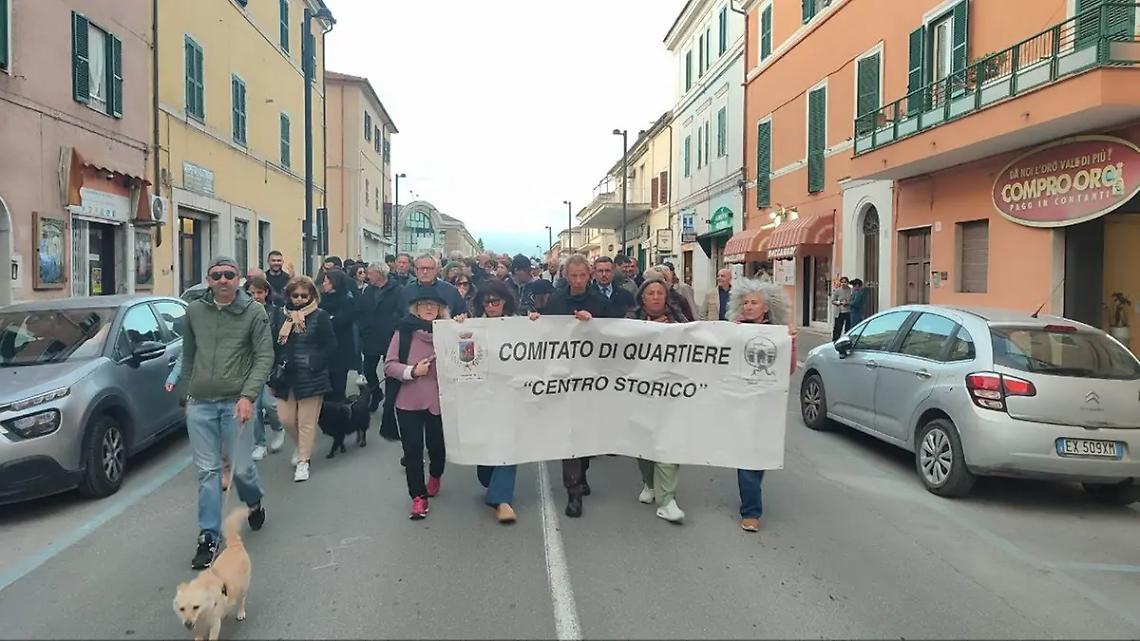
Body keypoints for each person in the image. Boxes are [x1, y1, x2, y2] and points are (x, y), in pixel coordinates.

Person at [180, 256, 272, 570]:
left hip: (236, 403)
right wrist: (185, 396)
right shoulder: (194, 312)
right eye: (216, 275)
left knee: (243, 469)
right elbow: (188, 355)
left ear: (238, 279)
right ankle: (208, 536)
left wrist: (248, 396)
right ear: (208, 279)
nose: (222, 280)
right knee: (207, 473)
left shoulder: (253, 312)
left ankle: (254, 500)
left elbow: (263, 357)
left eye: (228, 275)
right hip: (201, 403)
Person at [532, 254, 614, 518]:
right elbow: (544, 334)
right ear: (565, 276)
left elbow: (617, 337)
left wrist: (594, 326)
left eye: (582, 275)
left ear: (589, 275)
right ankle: (573, 491)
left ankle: (582, 473)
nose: (578, 280)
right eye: (573, 275)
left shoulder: (601, 303)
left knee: (586, 433)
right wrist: (535, 321)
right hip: (564, 379)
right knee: (569, 434)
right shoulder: (556, 302)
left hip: (592, 380)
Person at [728, 278, 797, 532]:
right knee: (746, 453)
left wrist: (790, 342)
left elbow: (788, 369)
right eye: (745, 302)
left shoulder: (779, 334)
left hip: (767, 403)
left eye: (754, 302)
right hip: (740, 401)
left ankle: (751, 492)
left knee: (760, 453)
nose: (748, 306)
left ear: (766, 308)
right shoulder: (734, 330)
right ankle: (751, 511)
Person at [385, 286, 449, 520]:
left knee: (437, 447)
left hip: (439, 402)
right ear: (416, 308)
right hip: (408, 401)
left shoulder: (449, 331)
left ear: (441, 309)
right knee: (412, 451)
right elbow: (389, 365)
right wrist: (413, 371)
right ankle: (418, 497)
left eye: (433, 305)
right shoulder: (403, 332)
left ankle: (436, 475)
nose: (429, 308)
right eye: (424, 304)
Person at [629, 272, 688, 523]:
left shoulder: (680, 321)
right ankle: (649, 483)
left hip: (671, 392)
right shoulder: (630, 321)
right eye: (650, 293)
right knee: (643, 443)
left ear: (666, 297)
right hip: (639, 393)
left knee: (668, 441)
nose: (655, 297)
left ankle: (667, 500)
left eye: (659, 293)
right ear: (642, 298)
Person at [269, 276, 337, 482]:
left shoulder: (320, 316)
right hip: (285, 376)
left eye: (303, 295)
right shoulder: (280, 316)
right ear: (288, 295)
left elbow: (331, 345)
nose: (299, 299)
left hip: (312, 376)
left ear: (312, 296)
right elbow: (273, 345)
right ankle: (301, 447)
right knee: (286, 418)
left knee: (307, 422)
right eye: (295, 295)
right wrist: (273, 370)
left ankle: (303, 462)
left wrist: (316, 362)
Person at [464, 279, 520, 523]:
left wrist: (538, 325)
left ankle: (501, 499)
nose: (491, 305)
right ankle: (491, 480)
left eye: (495, 301)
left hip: (510, 395)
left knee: (508, 445)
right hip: (481, 397)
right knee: (485, 460)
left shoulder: (520, 325)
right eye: (486, 302)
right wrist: (457, 329)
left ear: (505, 302)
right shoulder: (472, 326)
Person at [243, 276, 286, 461]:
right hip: (248, 366)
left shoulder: (276, 313)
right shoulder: (240, 313)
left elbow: (283, 342)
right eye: (251, 293)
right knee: (254, 407)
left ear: (266, 293)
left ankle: (278, 428)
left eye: (259, 292)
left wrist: (281, 363)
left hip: (271, 364)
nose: (255, 296)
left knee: (270, 405)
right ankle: (259, 444)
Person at [359, 262, 401, 413]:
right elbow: (362, 309)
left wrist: (393, 327)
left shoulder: (397, 290)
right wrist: (363, 328)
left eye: (370, 273)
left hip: (389, 336)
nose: (367, 276)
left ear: (379, 274)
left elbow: (400, 311)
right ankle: (376, 393)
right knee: (368, 369)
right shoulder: (368, 290)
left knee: (389, 371)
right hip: (371, 335)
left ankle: (389, 401)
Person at [316, 269, 358, 401]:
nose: (323, 284)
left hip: (341, 349)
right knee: (324, 389)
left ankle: (338, 415)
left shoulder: (347, 299)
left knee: (338, 387)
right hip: (323, 349)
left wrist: (327, 320)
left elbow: (340, 321)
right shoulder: (320, 300)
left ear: (335, 283)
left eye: (326, 281)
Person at [830, 276, 852, 341]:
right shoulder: (838, 290)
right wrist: (838, 302)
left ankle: (847, 340)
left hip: (848, 311)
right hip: (839, 312)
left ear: (847, 283)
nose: (843, 283)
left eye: (845, 282)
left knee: (848, 327)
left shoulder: (850, 290)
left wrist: (848, 302)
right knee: (837, 328)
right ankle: (835, 340)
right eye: (842, 282)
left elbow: (853, 299)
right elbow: (833, 300)